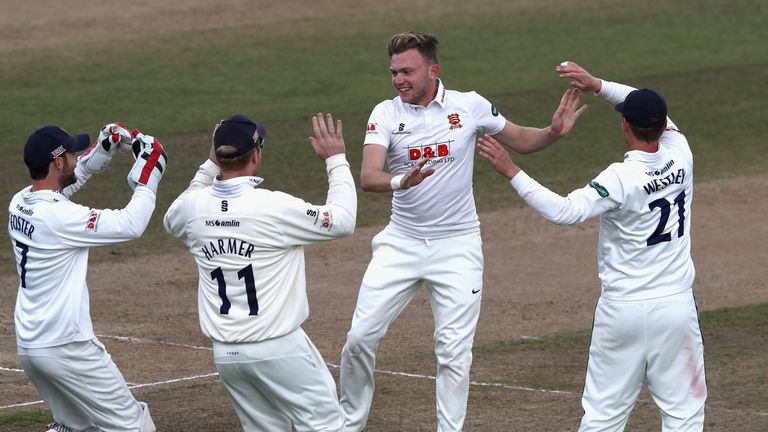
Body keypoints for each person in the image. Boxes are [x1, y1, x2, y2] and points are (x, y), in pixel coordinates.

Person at [338, 31, 586, 432]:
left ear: (433, 70)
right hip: (400, 243)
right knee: (360, 339)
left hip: (457, 247)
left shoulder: (469, 106)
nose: (399, 80)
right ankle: (348, 425)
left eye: (407, 71)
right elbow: (368, 175)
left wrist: (554, 131)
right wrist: (403, 181)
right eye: (394, 72)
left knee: (454, 353)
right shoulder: (385, 113)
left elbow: (522, 140)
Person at [477, 61, 707, 431]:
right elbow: (641, 101)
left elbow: (565, 211)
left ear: (625, 126)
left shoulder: (620, 178)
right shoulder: (682, 152)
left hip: (622, 312)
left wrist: (512, 170)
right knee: (685, 416)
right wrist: (599, 85)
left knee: (603, 417)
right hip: (676, 308)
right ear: (664, 126)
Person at [163, 113, 356, 431]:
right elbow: (342, 220)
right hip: (278, 348)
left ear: (218, 154)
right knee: (328, 425)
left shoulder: (190, 208)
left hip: (227, 355)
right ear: (256, 154)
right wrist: (336, 160)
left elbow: (172, 217)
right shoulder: (273, 206)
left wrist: (209, 166)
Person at [9, 123, 167, 432]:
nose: (75, 156)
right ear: (57, 162)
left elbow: (64, 185)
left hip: (32, 346)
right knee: (135, 427)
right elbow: (130, 224)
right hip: (68, 347)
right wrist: (150, 172)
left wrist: (102, 152)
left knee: (77, 427)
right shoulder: (60, 217)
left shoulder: (20, 202)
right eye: (70, 153)